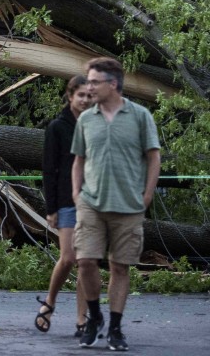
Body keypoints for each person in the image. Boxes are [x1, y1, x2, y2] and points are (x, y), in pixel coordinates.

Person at [72, 57, 161, 351]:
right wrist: (76, 193)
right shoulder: (86, 119)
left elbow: (153, 157)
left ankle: (116, 328)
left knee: (120, 267)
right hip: (91, 203)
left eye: (95, 82)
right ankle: (94, 317)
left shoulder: (140, 116)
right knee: (85, 261)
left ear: (113, 84)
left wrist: (146, 195)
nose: (90, 87)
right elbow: (78, 160)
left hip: (128, 205)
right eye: (88, 81)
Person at [34, 75, 90, 337]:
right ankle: (50, 302)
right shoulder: (58, 127)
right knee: (68, 258)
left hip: (92, 202)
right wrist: (51, 208)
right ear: (70, 97)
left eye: (90, 96)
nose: (85, 100)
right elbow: (49, 169)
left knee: (85, 261)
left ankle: (82, 319)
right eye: (81, 95)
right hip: (66, 201)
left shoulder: (96, 124)